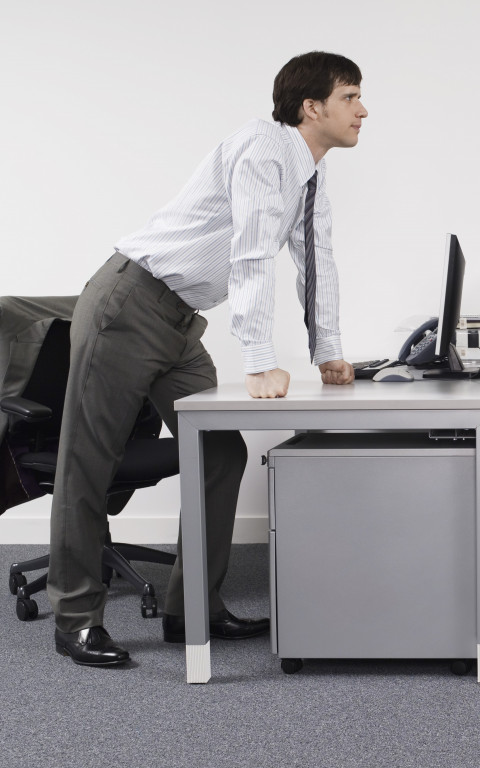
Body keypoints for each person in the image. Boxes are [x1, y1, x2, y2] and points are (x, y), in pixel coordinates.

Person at [47, 51, 367, 667]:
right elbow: (250, 255)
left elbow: (316, 260)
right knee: (88, 461)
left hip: (178, 321)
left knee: (220, 451)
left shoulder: (310, 174)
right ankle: (76, 619)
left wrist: (328, 352)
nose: (362, 109)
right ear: (312, 107)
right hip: (129, 304)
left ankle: (191, 607)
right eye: (350, 96)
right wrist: (257, 359)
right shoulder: (261, 151)